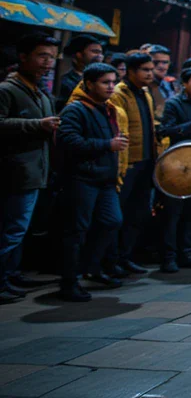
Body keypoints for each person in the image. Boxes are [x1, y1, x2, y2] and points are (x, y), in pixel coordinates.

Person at [57, 63, 127, 301]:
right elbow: (69, 142)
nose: (111, 87)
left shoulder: (106, 108)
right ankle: (69, 281)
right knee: (76, 231)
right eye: (105, 82)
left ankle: (91, 267)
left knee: (112, 221)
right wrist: (107, 145)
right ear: (88, 84)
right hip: (82, 178)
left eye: (112, 82)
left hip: (105, 179)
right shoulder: (75, 110)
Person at [0, 33, 60, 303]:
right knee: (11, 229)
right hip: (15, 171)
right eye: (42, 56)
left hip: (37, 170)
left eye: (51, 57)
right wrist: (37, 125)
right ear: (23, 57)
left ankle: (11, 274)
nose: (48, 62)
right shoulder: (7, 90)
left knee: (20, 229)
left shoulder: (39, 90)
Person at [108, 52, 159, 276]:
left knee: (137, 213)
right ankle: (109, 261)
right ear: (130, 71)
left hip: (146, 160)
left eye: (151, 69)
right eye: (145, 70)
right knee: (117, 215)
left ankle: (125, 257)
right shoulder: (118, 93)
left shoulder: (145, 93)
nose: (150, 73)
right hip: (128, 163)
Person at [158, 67, 191, 272]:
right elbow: (166, 130)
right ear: (184, 84)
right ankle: (168, 257)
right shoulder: (174, 104)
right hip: (177, 165)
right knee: (173, 214)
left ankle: (186, 254)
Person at [55, 35, 104, 109]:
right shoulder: (66, 82)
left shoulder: (102, 79)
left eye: (101, 53)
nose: (99, 56)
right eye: (95, 52)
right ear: (79, 54)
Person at [145, 44, 173, 119]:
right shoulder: (140, 85)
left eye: (165, 62)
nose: (161, 66)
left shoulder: (169, 84)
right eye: (156, 62)